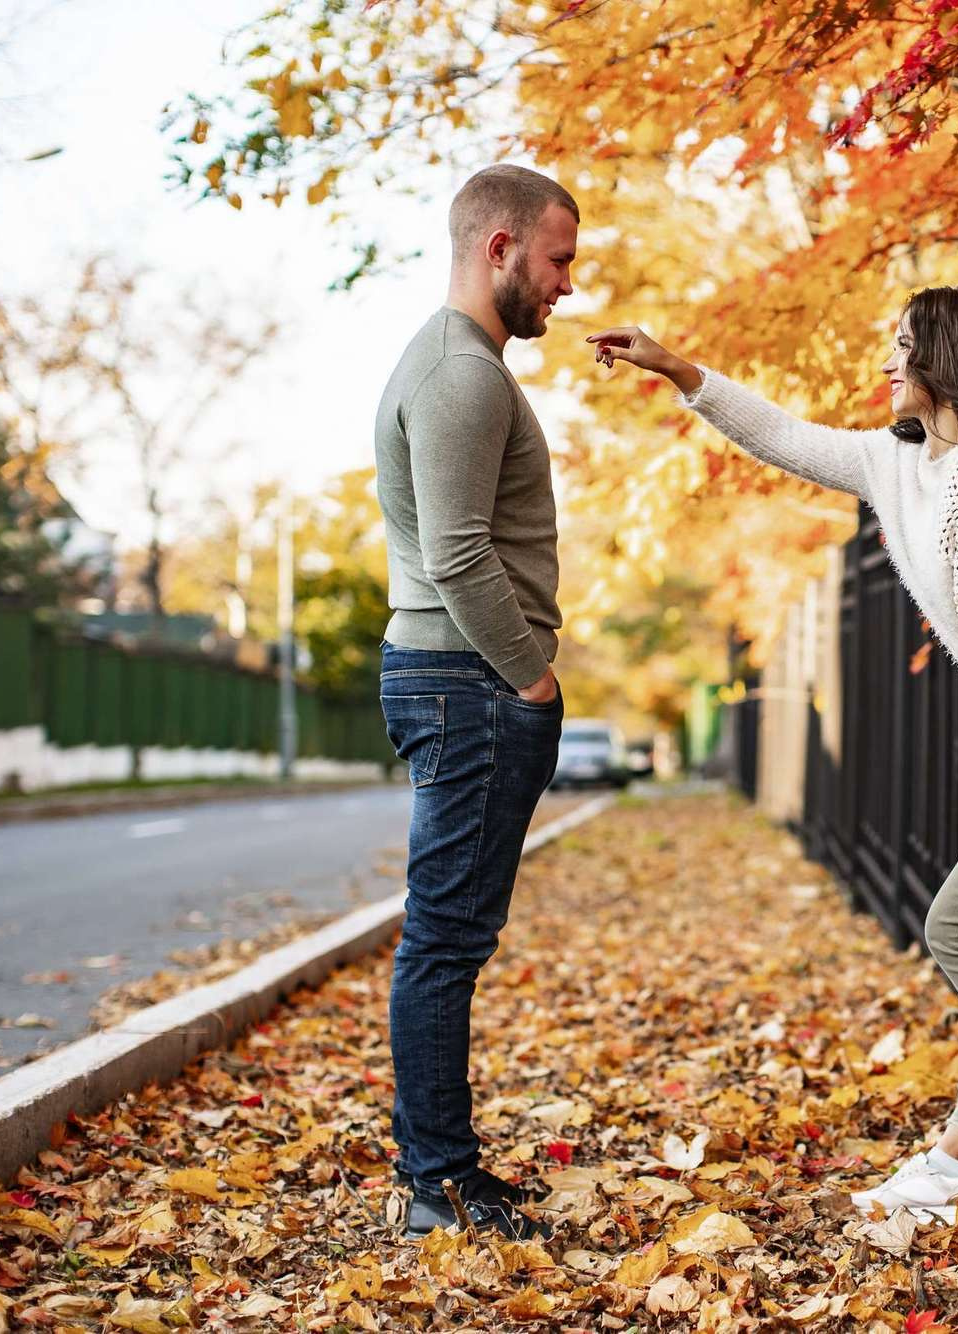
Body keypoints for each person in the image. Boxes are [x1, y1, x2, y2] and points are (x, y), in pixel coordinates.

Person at [586, 284, 958, 1224]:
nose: (888, 363)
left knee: (957, 928)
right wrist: (676, 368)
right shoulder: (902, 464)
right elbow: (781, 434)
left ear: (946, 364)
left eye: (904, 347)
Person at [374, 164, 576, 1241]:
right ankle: (436, 1185)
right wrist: (529, 676)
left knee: (449, 937)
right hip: (468, 679)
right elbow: (456, 550)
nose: (564, 285)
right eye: (555, 260)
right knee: (445, 940)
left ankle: (441, 1169)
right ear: (497, 247)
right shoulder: (461, 374)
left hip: (459, 677)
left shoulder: (459, 364)